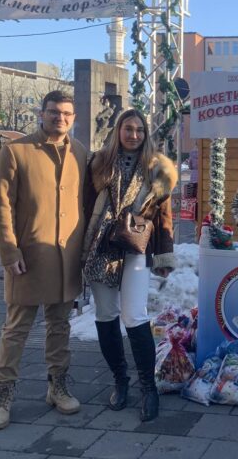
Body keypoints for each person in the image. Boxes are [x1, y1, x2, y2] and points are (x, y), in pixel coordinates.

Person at [0, 90, 87, 431]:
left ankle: (57, 386)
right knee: (16, 329)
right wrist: (9, 252)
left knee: (60, 326)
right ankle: (2, 395)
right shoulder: (16, 151)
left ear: (74, 118)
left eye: (67, 113)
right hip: (27, 257)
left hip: (66, 259)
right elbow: (0, 206)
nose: (61, 118)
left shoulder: (82, 155)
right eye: (54, 112)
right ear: (42, 113)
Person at [82, 108, 177, 422]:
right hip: (101, 248)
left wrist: (164, 256)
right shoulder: (98, 163)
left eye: (139, 130)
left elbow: (164, 218)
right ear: (118, 130)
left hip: (136, 246)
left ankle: (148, 387)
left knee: (135, 315)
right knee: (106, 315)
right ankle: (120, 380)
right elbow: (84, 210)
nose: (134, 135)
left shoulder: (156, 169)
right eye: (128, 129)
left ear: (145, 133)